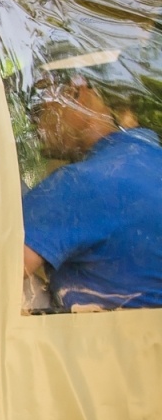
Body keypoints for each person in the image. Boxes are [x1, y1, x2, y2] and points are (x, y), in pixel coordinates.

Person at [21, 69, 162, 309]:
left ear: (77, 91)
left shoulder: (80, 183)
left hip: (105, 344)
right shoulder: (152, 163)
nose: (31, 119)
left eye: (37, 105)